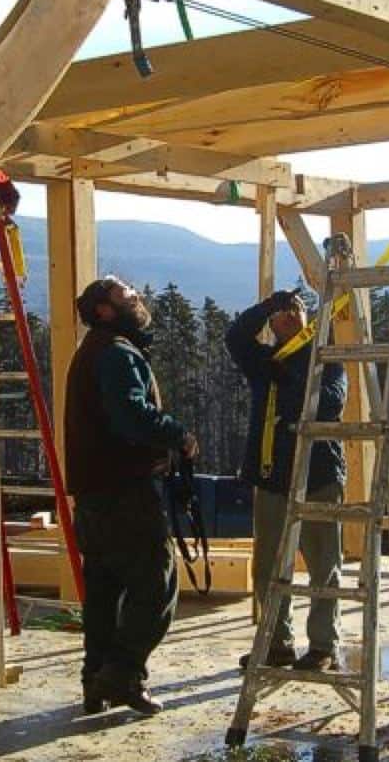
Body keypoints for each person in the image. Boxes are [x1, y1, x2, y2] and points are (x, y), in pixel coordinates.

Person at [65, 276, 198, 717]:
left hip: (93, 494)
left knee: (104, 591)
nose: (137, 298)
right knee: (157, 583)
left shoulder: (92, 351)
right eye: (126, 295)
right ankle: (121, 675)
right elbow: (132, 418)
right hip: (125, 491)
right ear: (104, 309)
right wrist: (177, 435)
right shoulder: (117, 354)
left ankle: (95, 681)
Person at [226, 289, 348, 672]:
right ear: (272, 324)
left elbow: (328, 403)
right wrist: (261, 307)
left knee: (323, 564)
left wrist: (294, 374)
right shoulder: (263, 361)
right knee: (268, 567)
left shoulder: (326, 358)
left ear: (306, 317)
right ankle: (277, 643)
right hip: (273, 476)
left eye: (294, 310)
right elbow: (235, 338)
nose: (288, 317)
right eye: (280, 314)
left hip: (318, 475)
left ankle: (323, 646)